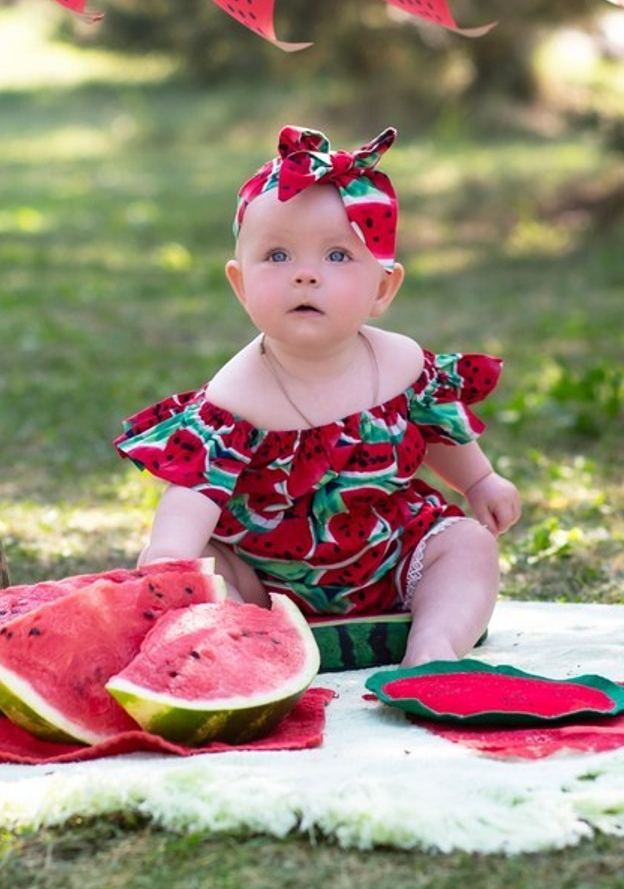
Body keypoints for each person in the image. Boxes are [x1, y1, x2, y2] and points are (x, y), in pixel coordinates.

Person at [114, 124, 522, 664]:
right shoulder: (233, 402)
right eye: (278, 257)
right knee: (211, 566)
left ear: (382, 288)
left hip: (396, 556)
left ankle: (435, 643)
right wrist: (169, 561)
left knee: (467, 544)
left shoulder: (400, 364)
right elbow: (194, 497)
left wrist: (480, 479)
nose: (305, 276)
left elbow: (439, 430)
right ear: (240, 285)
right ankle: (244, 650)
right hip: (267, 583)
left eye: (337, 256)